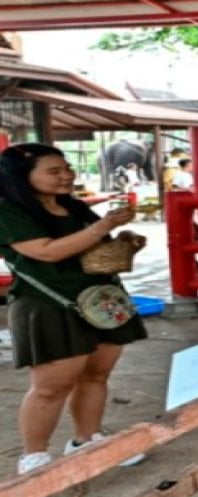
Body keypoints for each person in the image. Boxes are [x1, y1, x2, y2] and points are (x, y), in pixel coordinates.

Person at [0, 144, 148, 474]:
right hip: (50, 303)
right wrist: (101, 227)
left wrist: (122, 241)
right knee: (51, 386)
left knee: (97, 374)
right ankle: (34, 455)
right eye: (54, 171)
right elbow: (48, 252)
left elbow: (95, 248)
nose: (66, 175)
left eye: (66, 168)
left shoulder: (75, 207)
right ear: (22, 178)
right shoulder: (8, 212)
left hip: (101, 300)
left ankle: (87, 439)